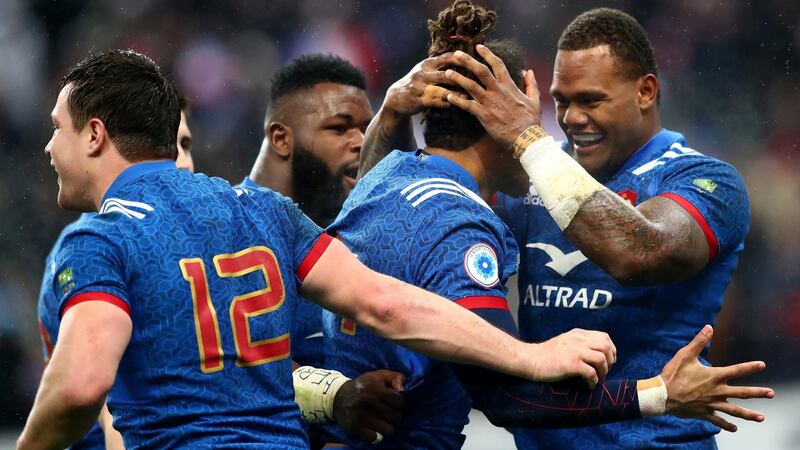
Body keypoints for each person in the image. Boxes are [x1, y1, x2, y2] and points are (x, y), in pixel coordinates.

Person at [17, 49, 615, 450]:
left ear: (94, 134)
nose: (48, 147)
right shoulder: (264, 213)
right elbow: (386, 303)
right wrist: (532, 356)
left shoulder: (98, 241)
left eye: (57, 128)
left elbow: (77, 387)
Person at [324, 1, 771, 448]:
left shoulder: (704, 181)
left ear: (646, 92)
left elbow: (637, 252)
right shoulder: (528, 179)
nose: (573, 119)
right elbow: (407, 218)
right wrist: (393, 113)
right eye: (560, 101)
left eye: (591, 100)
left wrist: (528, 140)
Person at [243, 54, 408, 445]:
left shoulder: (356, 230)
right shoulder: (228, 232)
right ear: (281, 138)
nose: (360, 143)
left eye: (366, 129)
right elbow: (232, 363)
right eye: (339, 128)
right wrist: (333, 397)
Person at [34, 95, 195, 450]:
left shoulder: (187, 243)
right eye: (168, 148)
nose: (181, 163)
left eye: (184, 145)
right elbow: (118, 420)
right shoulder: (94, 253)